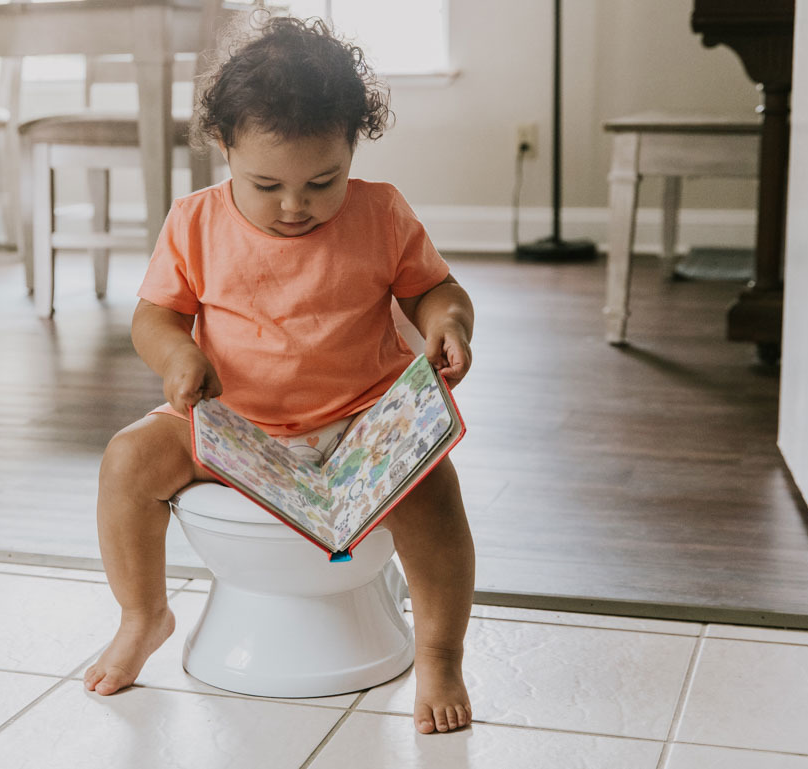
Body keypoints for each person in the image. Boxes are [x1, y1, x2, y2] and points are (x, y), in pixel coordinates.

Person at [83, 15, 476, 735]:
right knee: (127, 461)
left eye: (322, 182)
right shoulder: (195, 222)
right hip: (235, 422)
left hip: (361, 421)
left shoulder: (381, 213)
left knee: (436, 492)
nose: (295, 205)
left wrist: (447, 322)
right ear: (223, 145)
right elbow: (154, 317)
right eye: (266, 185)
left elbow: (434, 291)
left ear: (352, 149)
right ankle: (144, 614)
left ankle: (441, 653)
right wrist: (178, 356)